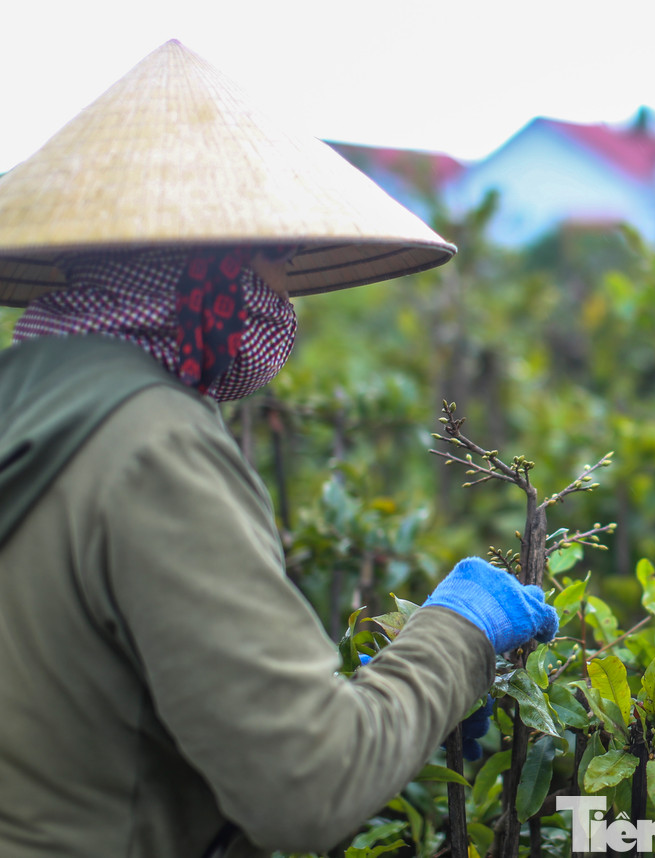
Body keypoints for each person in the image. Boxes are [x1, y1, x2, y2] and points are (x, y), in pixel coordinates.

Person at [0, 41, 556, 857]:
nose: (283, 296)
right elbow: (309, 784)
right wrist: (455, 639)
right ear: (206, 270)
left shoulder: (34, 403)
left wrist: (408, 703)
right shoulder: (151, 447)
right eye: (273, 259)